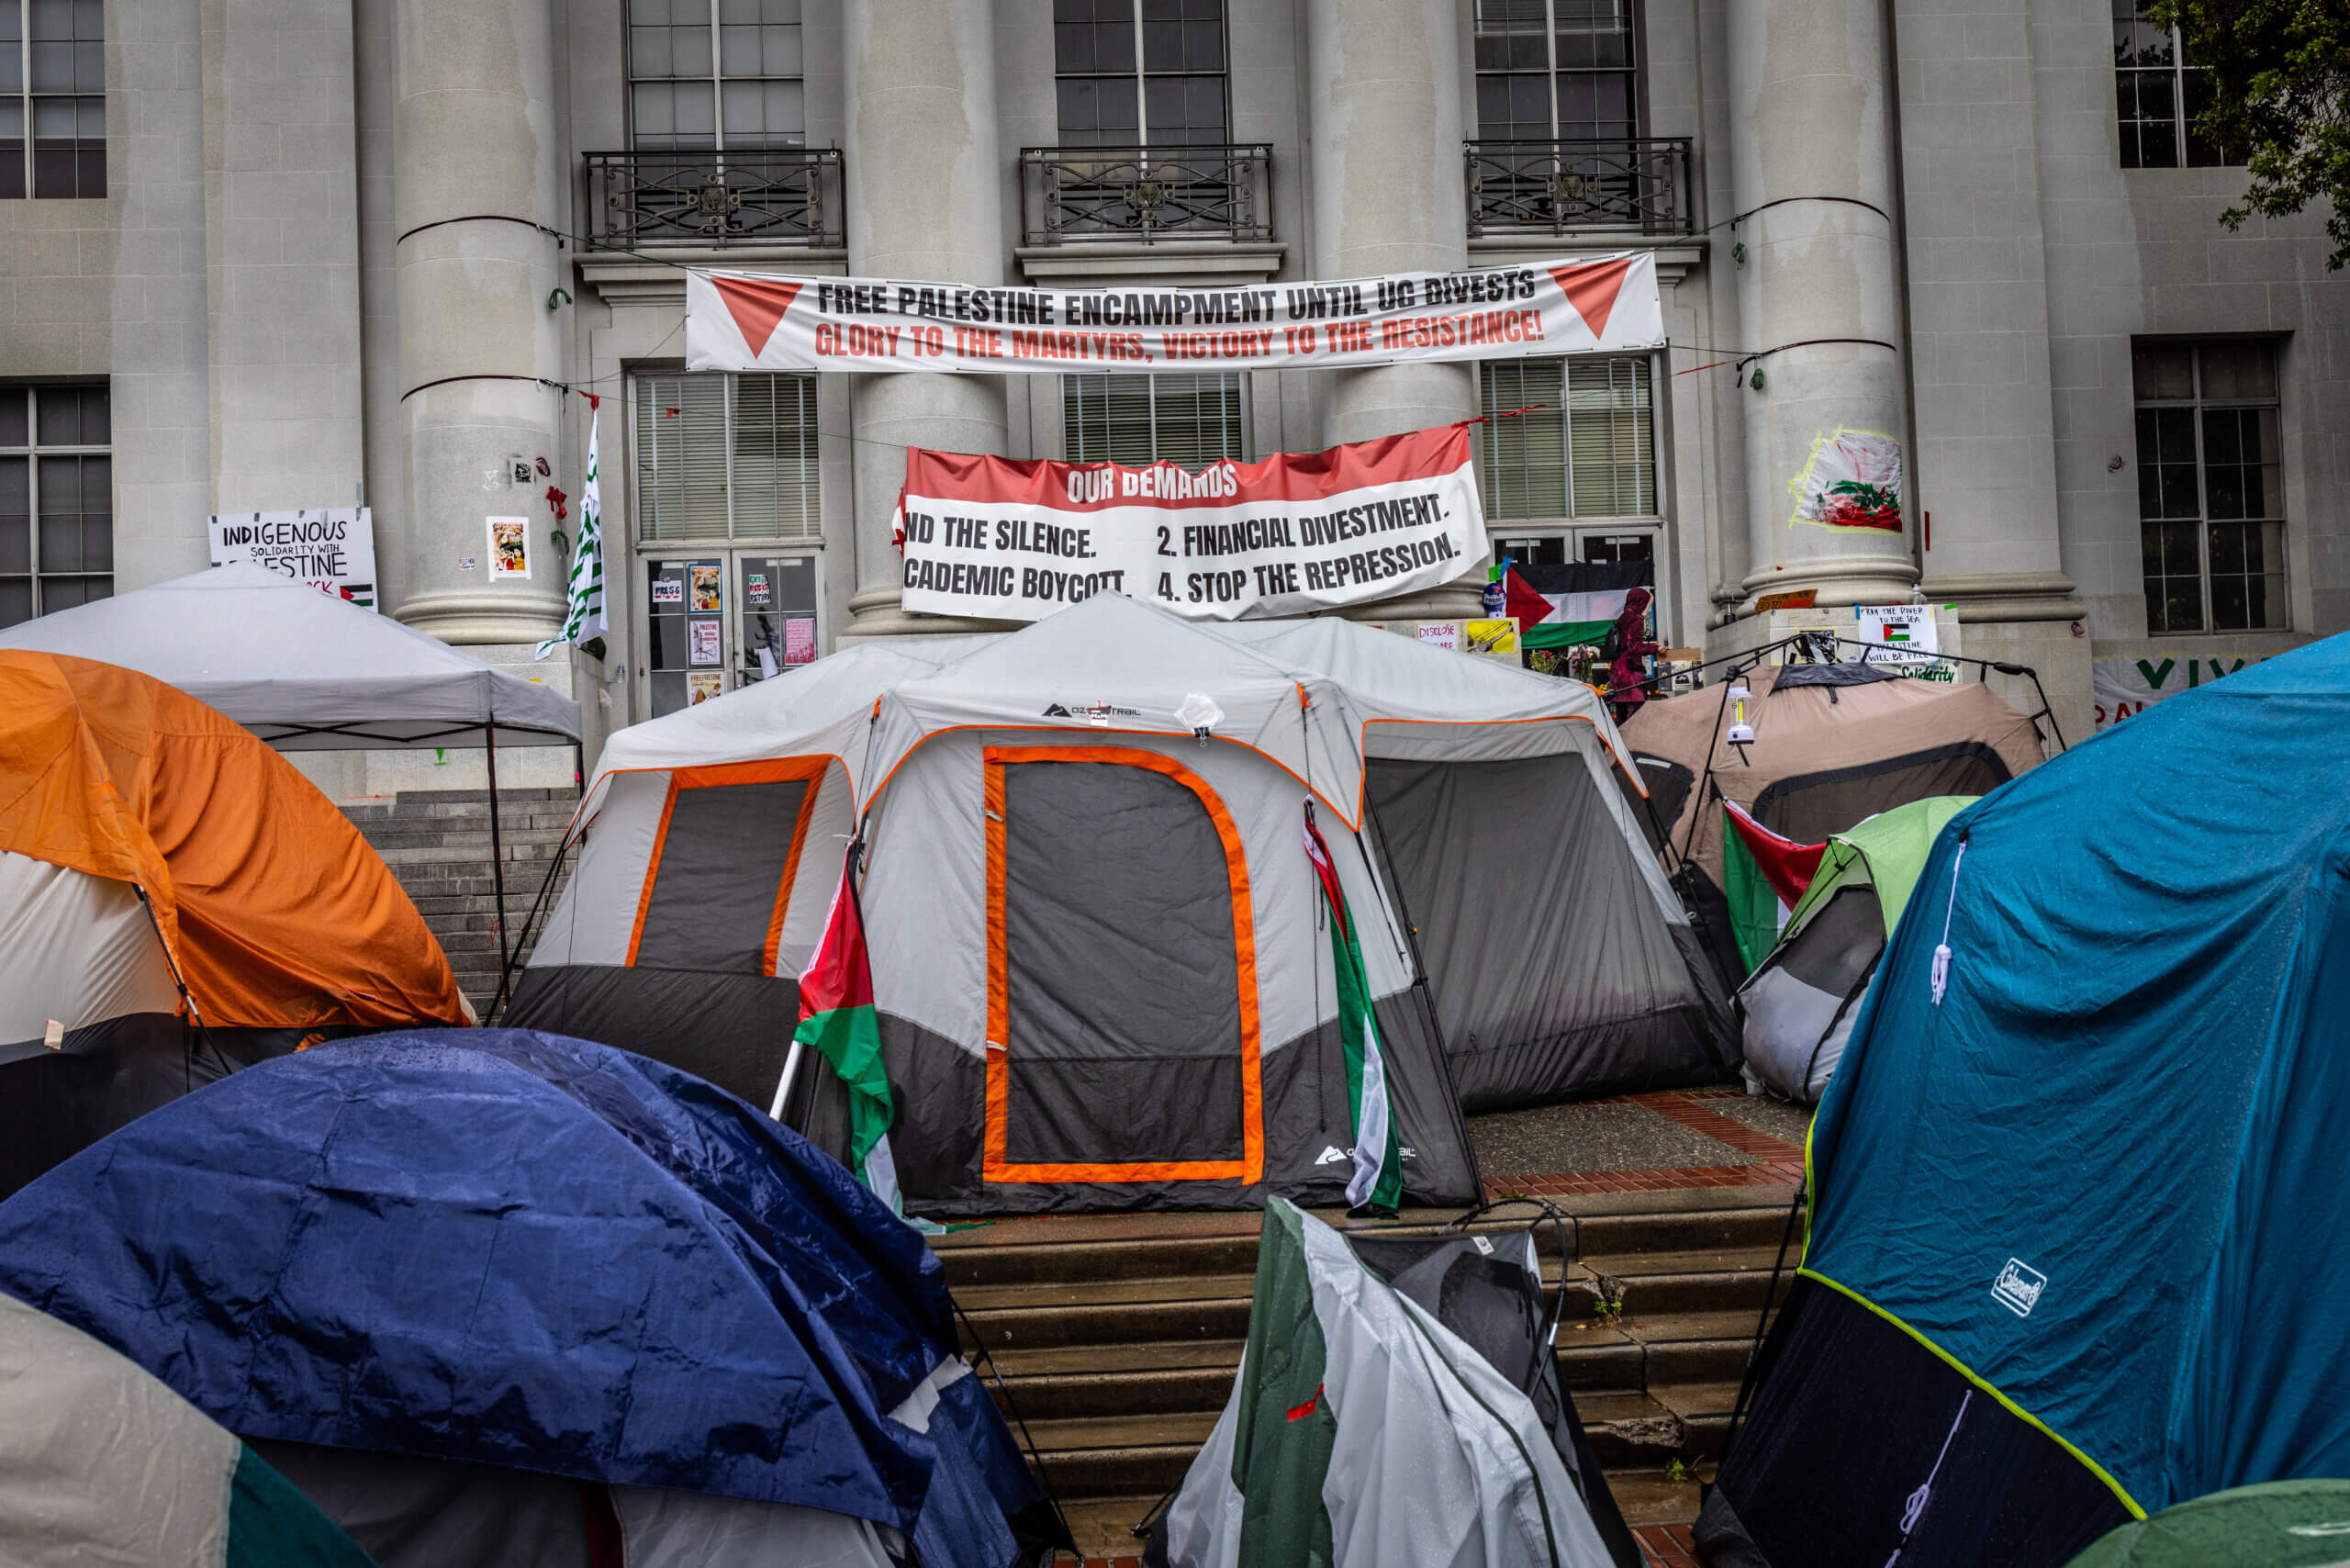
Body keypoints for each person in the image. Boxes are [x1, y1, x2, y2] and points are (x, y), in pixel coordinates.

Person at [1604, 587, 1659, 723]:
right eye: (1646, 604)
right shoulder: (1635, 620)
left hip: (1618, 675)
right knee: (1635, 718)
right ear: (1640, 603)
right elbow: (1634, 646)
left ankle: (1617, 744)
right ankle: (1631, 744)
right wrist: (1655, 648)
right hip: (1631, 675)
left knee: (1621, 718)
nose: (1646, 608)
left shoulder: (1623, 618)